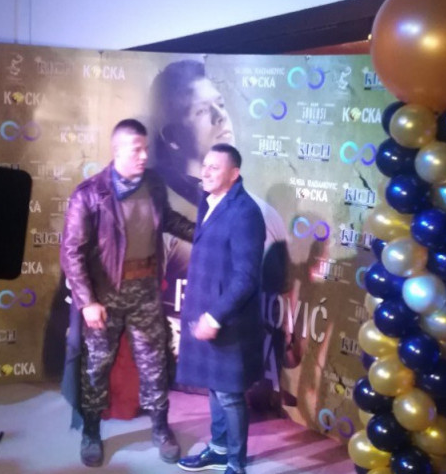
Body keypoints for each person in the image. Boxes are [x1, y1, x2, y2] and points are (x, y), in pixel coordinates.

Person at [150, 59, 288, 403]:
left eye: (220, 104)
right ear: (172, 137)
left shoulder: (261, 213)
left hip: (232, 340)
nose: (219, 117)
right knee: (221, 403)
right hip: (190, 355)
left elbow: (253, 282)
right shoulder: (161, 210)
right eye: (201, 111)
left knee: (228, 401)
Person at [60, 118, 195, 467]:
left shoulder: (154, 184)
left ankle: (160, 428)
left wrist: (205, 233)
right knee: (96, 365)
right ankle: (91, 431)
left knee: (154, 364)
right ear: (117, 150)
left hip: (145, 291)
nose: (144, 156)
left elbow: (168, 219)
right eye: (137, 149)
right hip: (105, 295)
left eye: (145, 149)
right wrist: (87, 302)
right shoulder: (90, 194)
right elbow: (71, 252)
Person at [176, 144, 265, 474]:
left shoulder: (245, 213)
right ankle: (218, 449)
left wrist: (214, 317)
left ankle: (235, 464)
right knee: (215, 387)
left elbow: (246, 278)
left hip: (229, 321)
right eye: (205, 165)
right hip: (208, 312)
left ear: (234, 173)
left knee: (229, 394)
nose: (206, 172)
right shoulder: (209, 200)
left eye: (215, 167)